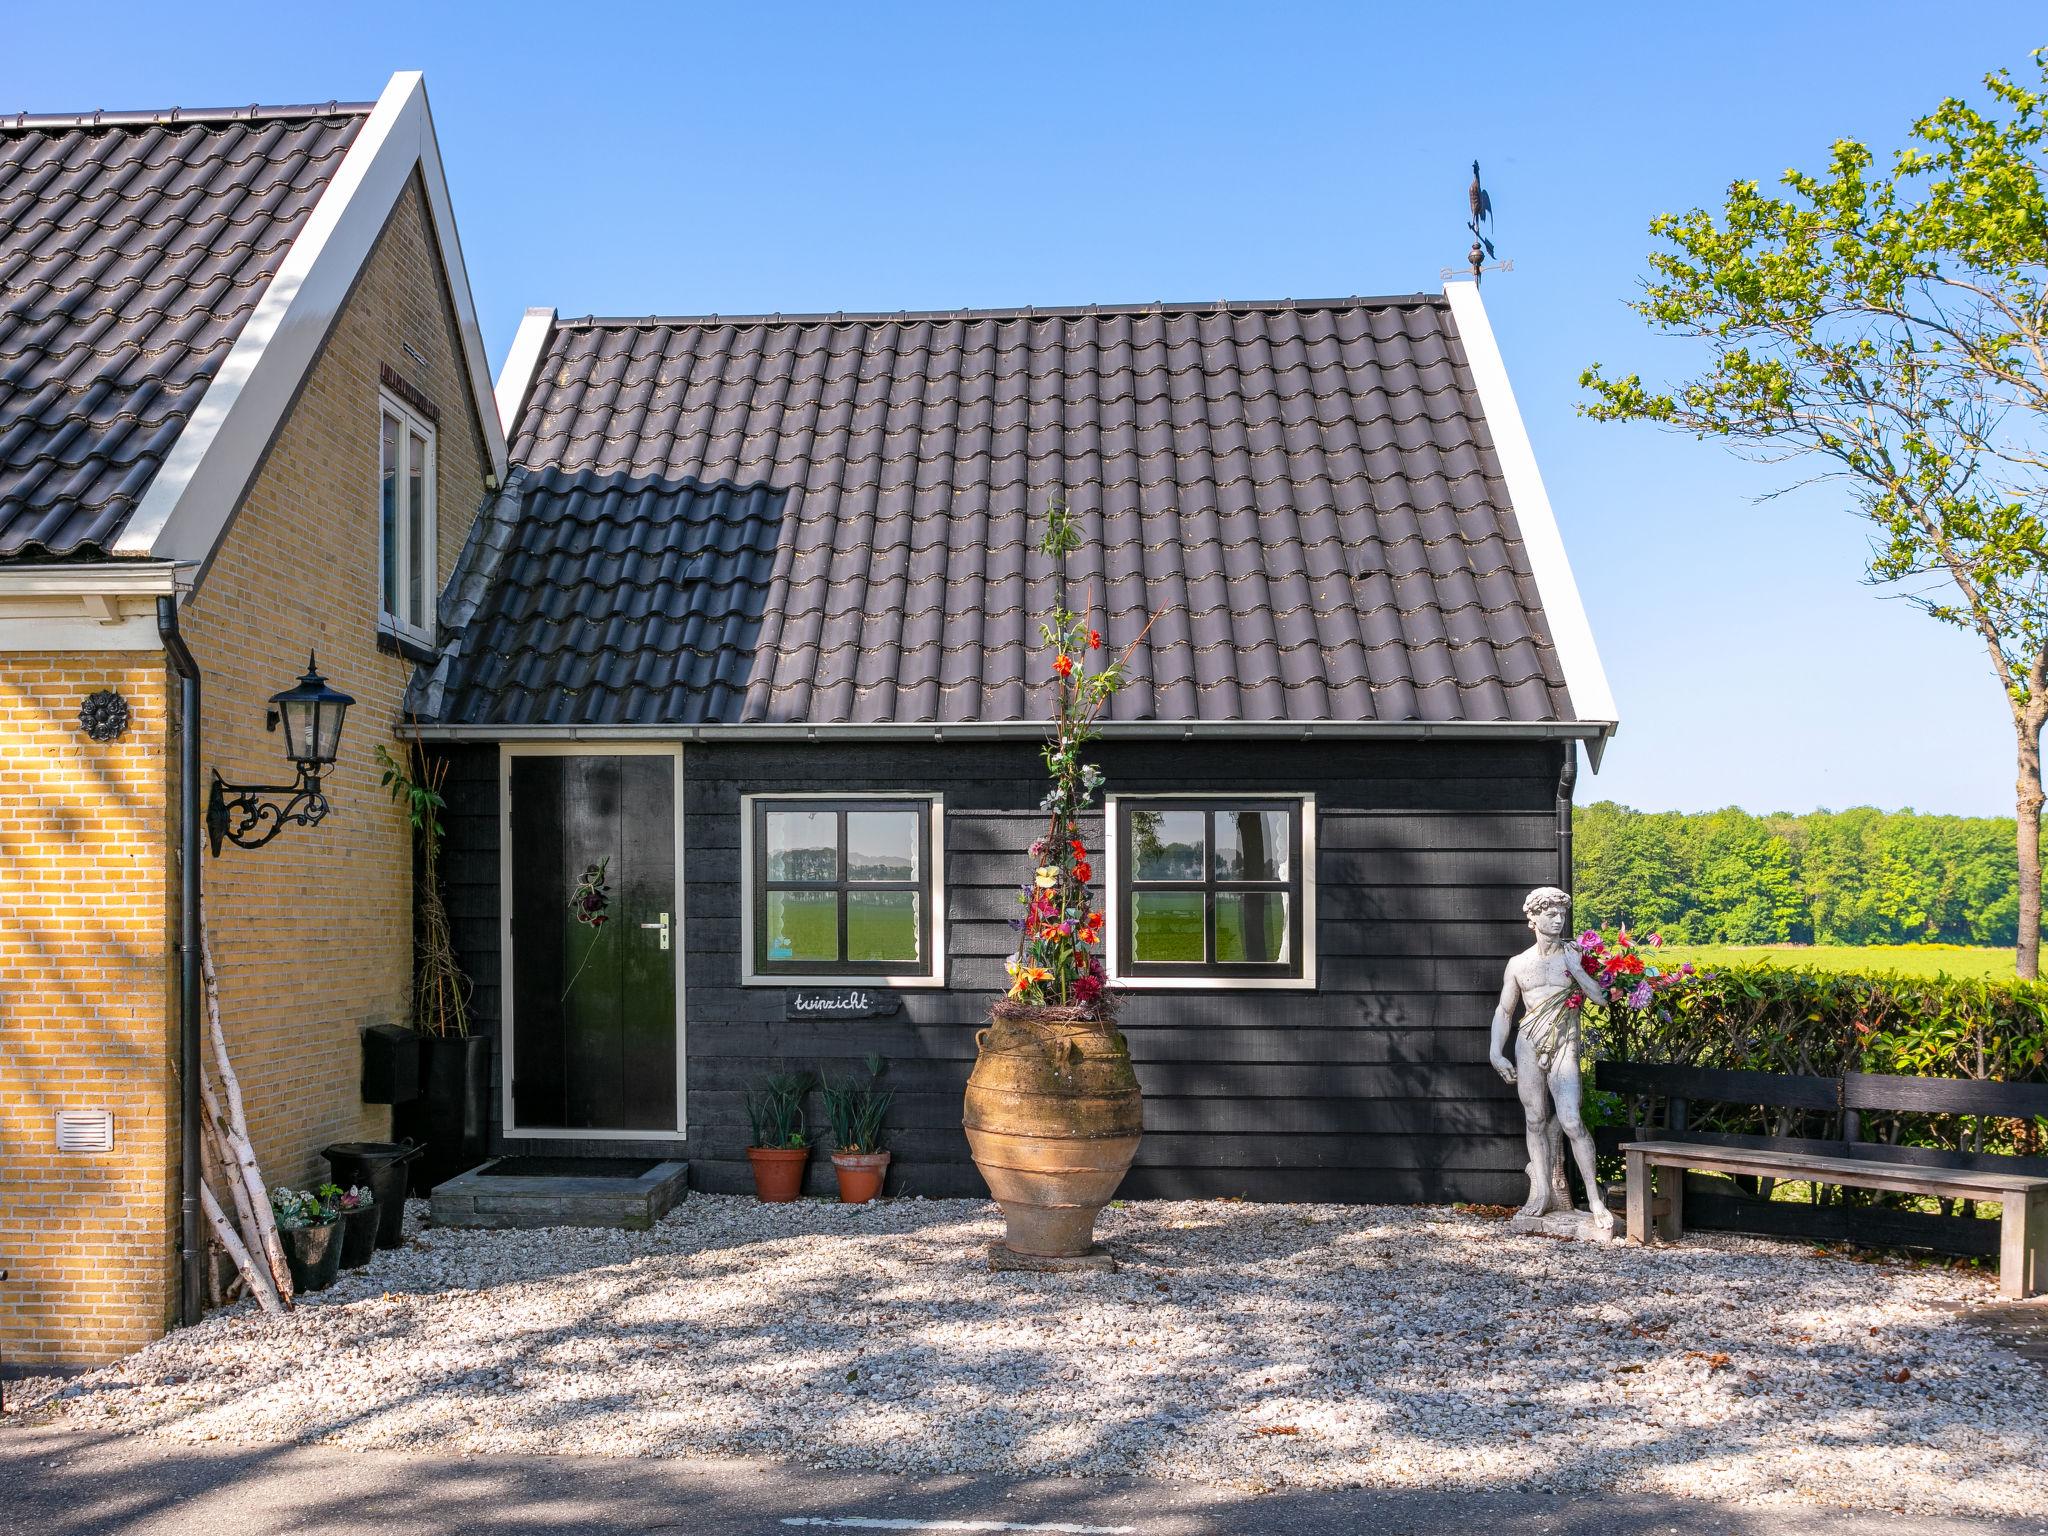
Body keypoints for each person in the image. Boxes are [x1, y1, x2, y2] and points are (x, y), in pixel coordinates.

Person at [1487, 885, 1615, 1237]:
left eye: (1562, 914)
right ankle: (1542, 1193)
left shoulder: (1574, 956)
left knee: (1572, 1120)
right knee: (1535, 1119)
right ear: (1533, 918)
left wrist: (1578, 970)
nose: (1558, 920)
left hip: (1564, 1044)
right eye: (1550, 914)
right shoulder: (1519, 964)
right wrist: (1495, 1051)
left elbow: (1602, 999)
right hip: (1528, 1045)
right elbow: (1504, 1010)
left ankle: (1594, 1200)